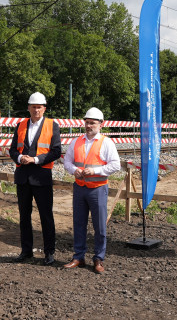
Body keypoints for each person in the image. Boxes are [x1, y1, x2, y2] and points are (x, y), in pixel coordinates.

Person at [63, 107, 120, 273]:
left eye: (92, 123)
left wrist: (95, 171)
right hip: (80, 188)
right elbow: (67, 162)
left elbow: (115, 165)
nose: (89, 126)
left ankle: (98, 258)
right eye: (87, 122)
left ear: (101, 125)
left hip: (98, 188)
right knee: (78, 223)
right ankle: (78, 256)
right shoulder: (76, 141)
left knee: (100, 226)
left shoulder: (106, 142)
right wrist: (75, 171)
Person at [8, 92, 62, 266]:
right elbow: (13, 150)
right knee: (24, 216)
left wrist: (36, 159)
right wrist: (19, 158)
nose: (36, 110)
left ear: (44, 108)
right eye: (33, 107)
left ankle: (49, 252)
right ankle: (26, 250)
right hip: (23, 177)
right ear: (29, 108)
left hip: (41, 177)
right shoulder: (21, 125)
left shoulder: (52, 125)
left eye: (39, 107)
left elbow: (55, 151)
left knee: (46, 216)